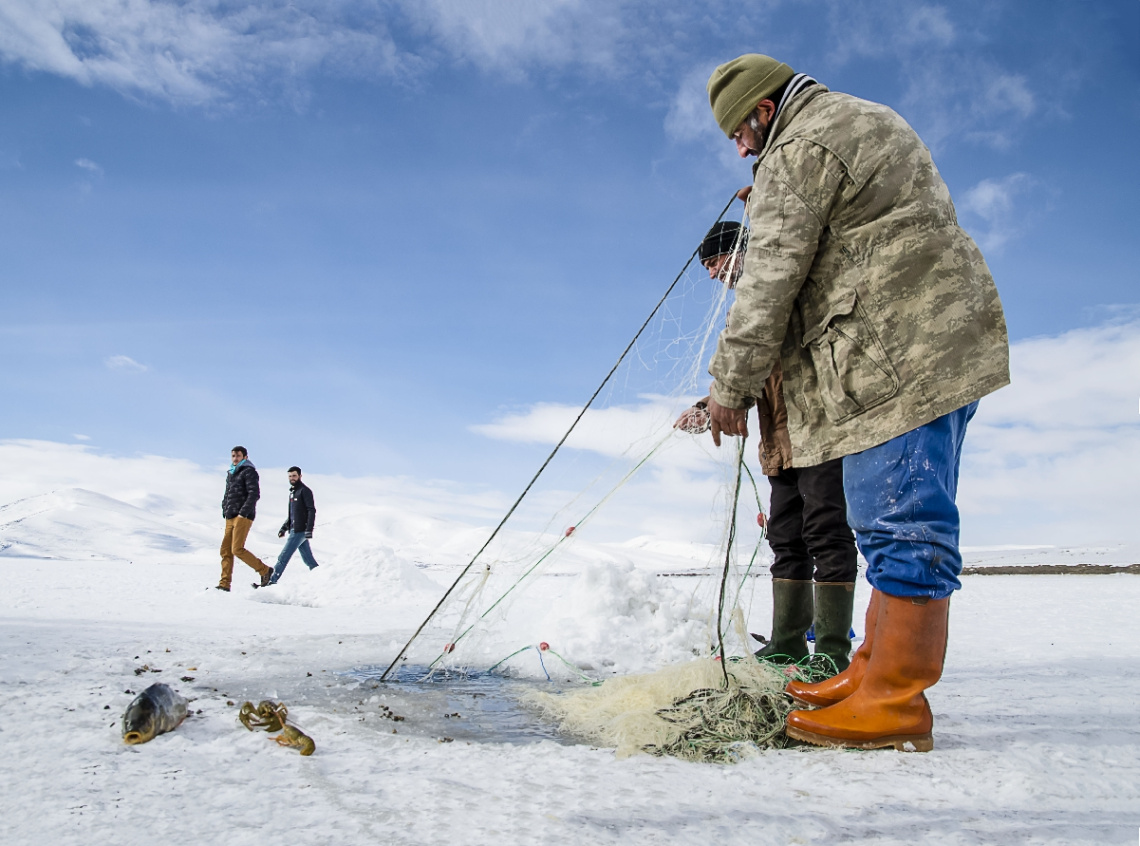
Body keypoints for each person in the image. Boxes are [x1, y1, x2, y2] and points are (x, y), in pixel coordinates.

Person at [703, 55, 1009, 751]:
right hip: (927, 342)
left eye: (740, 134)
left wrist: (729, 390)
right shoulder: (858, 118)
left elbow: (768, 283)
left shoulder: (801, 146)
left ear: (763, 109)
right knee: (886, 518)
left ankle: (895, 703)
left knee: (900, 520)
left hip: (894, 357)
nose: (742, 150)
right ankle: (870, 671)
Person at [676, 221, 858, 672]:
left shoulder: (787, 285)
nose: (713, 274)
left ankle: (833, 652)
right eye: (707, 267)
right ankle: (788, 642)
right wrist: (709, 405)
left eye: (715, 261)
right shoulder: (748, 309)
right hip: (779, 445)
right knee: (785, 538)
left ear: (739, 248)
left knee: (827, 535)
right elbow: (751, 369)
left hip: (820, 434)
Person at [217, 446, 273, 591]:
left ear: (245, 457)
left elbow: (254, 494)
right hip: (230, 516)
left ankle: (265, 570)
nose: (235, 458)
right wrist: (225, 508)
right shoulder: (231, 473)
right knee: (225, 551)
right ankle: (224, 584)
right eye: (233, 456)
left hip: (243, 516)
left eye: (238, 456)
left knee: (237, 549)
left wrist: (243, 512)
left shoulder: (249, 472)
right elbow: (227, 494)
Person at [267, 466, 319, 585]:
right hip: (294, 529)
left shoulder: (305, 491)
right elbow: (292, 514)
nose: (292, 478)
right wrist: (284, 528)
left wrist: (309, 529)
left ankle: (271, 581)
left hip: (300, 530)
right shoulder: (293, 492)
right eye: (290, 476)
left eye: (294, 476)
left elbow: (311, 510)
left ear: (300, 476)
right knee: (308, 560)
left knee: (283, 557)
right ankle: (321, 577)